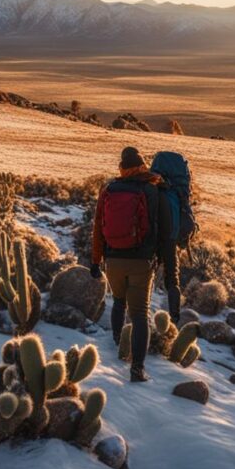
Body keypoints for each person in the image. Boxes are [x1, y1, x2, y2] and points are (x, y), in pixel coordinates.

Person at [89, 146, 172, 382]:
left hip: (113, 260)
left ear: (122, 168)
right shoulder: (151, 188)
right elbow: (158, 229)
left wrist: (96, 261)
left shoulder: (109, 189)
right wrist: (162, 260)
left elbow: (97, 228)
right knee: (139, 316)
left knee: (118, 301)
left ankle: (117, 341)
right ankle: (137, 369)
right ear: (141, 165)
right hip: (141, 261)